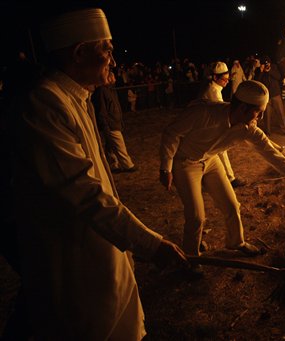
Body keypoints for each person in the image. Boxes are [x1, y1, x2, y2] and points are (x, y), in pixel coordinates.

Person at [9, 8, 188, 340]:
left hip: (101, 253)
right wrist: (151, 244)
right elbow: (85, 193)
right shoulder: (44, 104)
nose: (113, 60)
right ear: (78, 53)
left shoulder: (76, 98)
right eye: (106, 48)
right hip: (74, 262)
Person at [159, 80, 285, 260]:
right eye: (258, 112)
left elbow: (276, 158)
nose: (259, 118)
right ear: (243, 108)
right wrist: (166, 169)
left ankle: (236, 242)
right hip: (186, 163)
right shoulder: (204, 112)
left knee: (231, 205)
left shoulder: (248, 130)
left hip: (211, 160)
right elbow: (171, 134)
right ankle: (190, 257)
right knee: (197, 216)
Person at [201, 61, 246, 188]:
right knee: (221, 150)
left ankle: (214, 180)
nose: (227, 82)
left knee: (212, 154)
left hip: (207, 125)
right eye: (224, 79)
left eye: (228, 79)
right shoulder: (213, 91)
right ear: (215, 77)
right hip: (208, 126)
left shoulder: (213, 86)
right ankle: (230, 179)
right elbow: (221, 110)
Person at [92, 71, 137, 173]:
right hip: (111, 124)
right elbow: (102, 111)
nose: (115, 79)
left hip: (114, 122)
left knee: (110, 145)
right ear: (108, 78)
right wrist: (106, 126)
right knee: (119, 145)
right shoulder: (101, 91)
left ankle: (113, 165)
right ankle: (128, 165)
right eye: (112, 77)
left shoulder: (111, 90)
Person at [255, 56, 285, 135]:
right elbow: (257, 82)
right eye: (265, 64)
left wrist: (269, 71)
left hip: (275, 94)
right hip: (266, 96)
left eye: (268, 63)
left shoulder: (273, 67)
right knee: (267, 115)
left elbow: (278, 77)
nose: (267, 65)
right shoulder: (259, 70)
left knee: (281, 113)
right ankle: (268, 132)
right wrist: (261, 71)